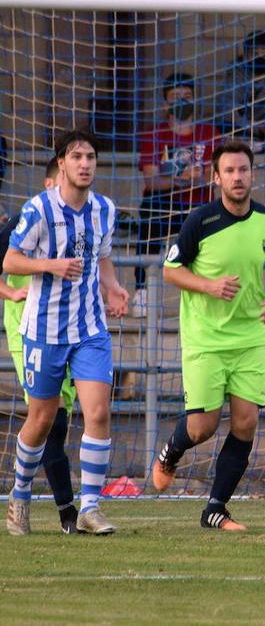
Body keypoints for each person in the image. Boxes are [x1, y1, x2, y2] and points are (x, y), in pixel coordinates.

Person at [152, 140, 265, 531]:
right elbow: (170, 271)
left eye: (244, 170)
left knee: (246, 423)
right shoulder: (200, 220)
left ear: (253, 175)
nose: (238, 177)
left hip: (250, 338)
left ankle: (215, 508)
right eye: (230, 171)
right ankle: (170, 452)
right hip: (206, 339)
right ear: (216, 178)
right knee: (203, 426)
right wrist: (209, 285)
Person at [4, 129, 130, 536]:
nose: (85, 163)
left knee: (98, 412)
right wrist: (50, 266)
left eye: (90, 156)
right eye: (77, 156)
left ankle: (90, 509)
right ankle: (20, 496)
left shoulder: (105, 209)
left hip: (90, 328)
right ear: (61, 163)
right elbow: (10, 259)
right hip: (43, 330)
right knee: (41, 419)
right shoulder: (39, 209)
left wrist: (112, 286)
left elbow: (104, 257)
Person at [0, 157, 79, 533]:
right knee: (50, 417)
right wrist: (11, 292)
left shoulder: (80, 222)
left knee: (59, 420)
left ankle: (32, 498)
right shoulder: (23, 222)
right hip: (26, 330)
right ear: (49, 184)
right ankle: (66, 512)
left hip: (69, 329)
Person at [132, 72, 218, 318]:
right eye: (176, 97)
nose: (182, 101)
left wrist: (196, 178)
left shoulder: (208, 133)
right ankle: (142, 291)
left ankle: (206, 291)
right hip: (163, 204)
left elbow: (215, 176)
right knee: (149, 210)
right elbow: (151, 180)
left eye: (187, 96)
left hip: (198, 205)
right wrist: (181, 180)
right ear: (165, 104)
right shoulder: (154, 135)